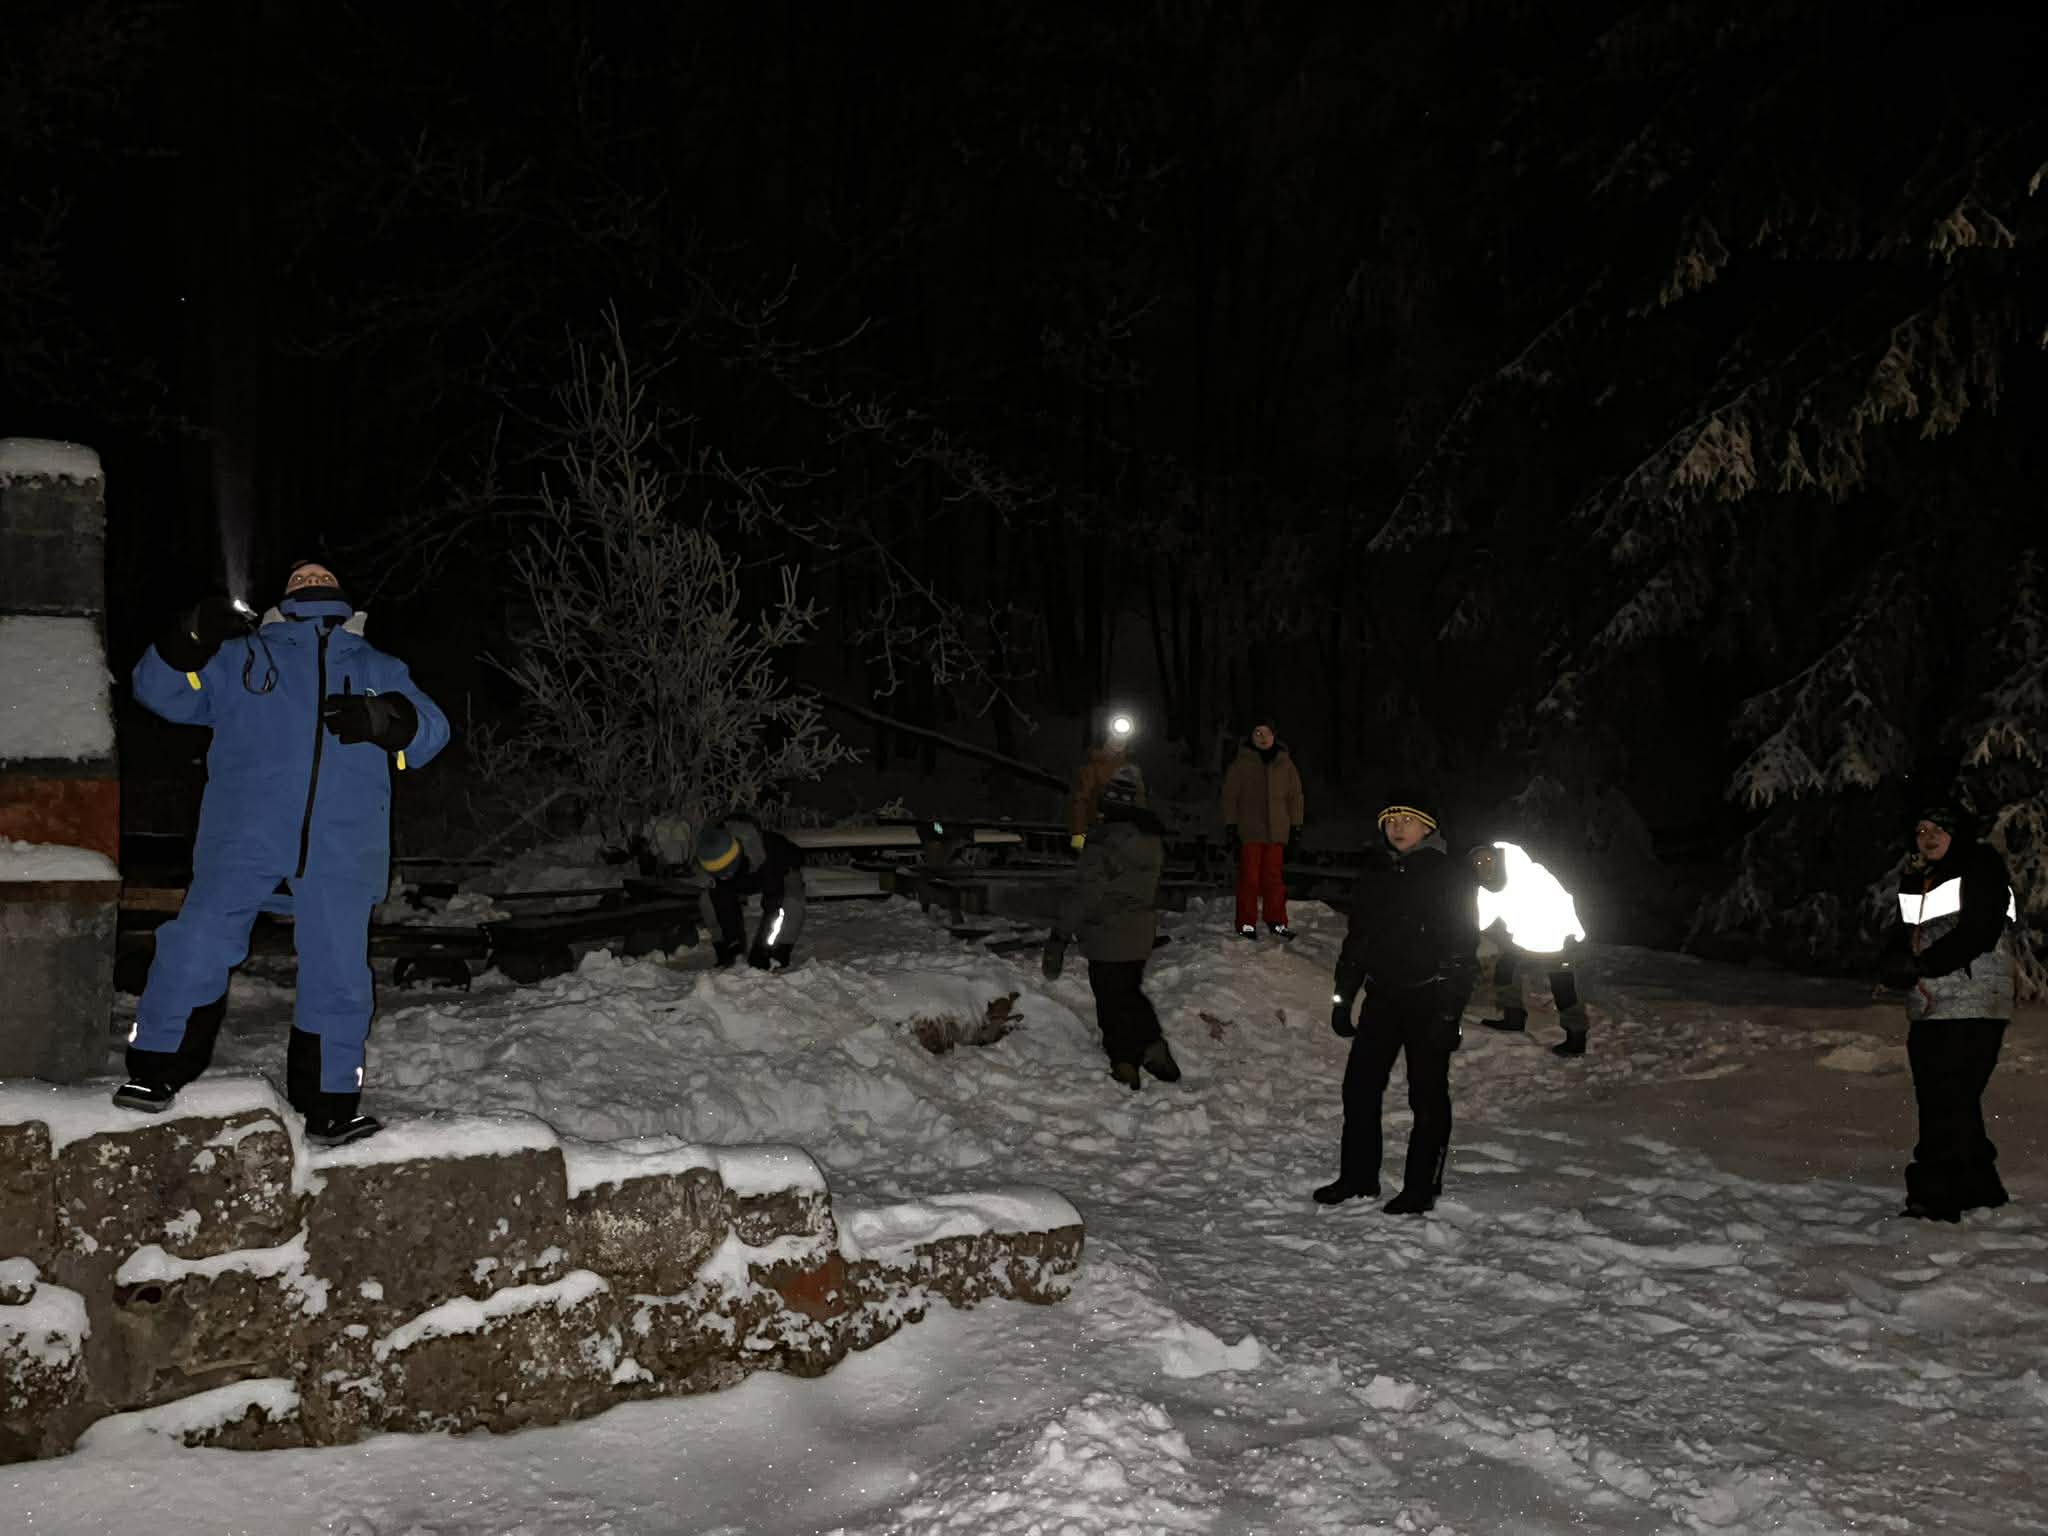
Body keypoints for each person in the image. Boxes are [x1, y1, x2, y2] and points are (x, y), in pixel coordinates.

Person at [116, 560, 451, 1145]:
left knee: (339, 973)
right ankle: (155, 1069)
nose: (312, 581)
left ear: (342, 593)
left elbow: (432, 733)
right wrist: (189, 635)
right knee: (195, 943)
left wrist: (384, 717)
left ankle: (329, 1105)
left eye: (321, 576)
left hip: (344, 845)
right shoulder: (243, 656)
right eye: (302, 576)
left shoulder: (376, 666)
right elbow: (157, 690)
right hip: (242, 836)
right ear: (284, 596)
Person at [1319, 789, 1478, 1215]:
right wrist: (1343, 996)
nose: (1397, 827)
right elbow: (1359, 939)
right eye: (1390, 820)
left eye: (1407, 819)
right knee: (1359, 1088)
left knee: (1427, 1096)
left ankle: (1421, 1187)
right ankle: (1358, 1177)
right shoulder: (1377, 873)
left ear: (1428, 827)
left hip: (1430, 998)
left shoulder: (1450, 876)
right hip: (1383, 998)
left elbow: (1462, 949)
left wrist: (1449, 1012)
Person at [1878, 802, 2021, 1223]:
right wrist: (1894, 961)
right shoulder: (1918, 878)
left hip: (1974, 1001)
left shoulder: (1980, 867)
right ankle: (1980, 1188)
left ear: (1958, 832)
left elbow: (1979, 930)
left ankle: (1935, 1198)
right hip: (1930, 1004)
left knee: (1946, 1100)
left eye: (1939, 828)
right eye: (1921, 829)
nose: (1928, 837)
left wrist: (1924, 964)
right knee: (1949, 1099)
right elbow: (1905, 933)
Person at [1043, 764, 1181, 1091]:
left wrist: (1059, 935)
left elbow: (1085, 893)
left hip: (1107, 932)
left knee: (1112, 999)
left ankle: (1127, 1061)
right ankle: (1146, 1049)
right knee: (1128, 992)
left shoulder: (1105, 842)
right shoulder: (1150, 839)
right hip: (1138, 932)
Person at [1470, 841, 1591, 1057]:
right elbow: (1483, 921)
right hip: (1524, 941)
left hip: (1556, 940)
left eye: (1488, 859)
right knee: (1505, 970)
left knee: (1563, 987)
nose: (1484, 865)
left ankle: (1576, 1037)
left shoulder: (1531, 873)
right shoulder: (1487, 888)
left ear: (1498, 858)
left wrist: (1574, 933)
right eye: (1478, 862)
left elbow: (1564, 899)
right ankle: (1514, 1017)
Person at [1221, 716, 1305, 940]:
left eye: (1267, 732)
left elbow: (1295, 797)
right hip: (1250, 830)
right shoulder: (1241, 763)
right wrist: (1231, 825)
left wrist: (1296, 826)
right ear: (1251, 736)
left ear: (1274, 735)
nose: (1263, 737)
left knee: (1274, 879)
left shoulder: (1285, 763)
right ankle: (1246, 922)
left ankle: (1276, 921)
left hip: (1277, 832)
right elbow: (1230, 797)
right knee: (1249, 879)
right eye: (1258, 732)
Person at [696, 815, 807, 970]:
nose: (723, 877)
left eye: (726, 872)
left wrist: (763, 948)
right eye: (718, 874)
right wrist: (733, 947)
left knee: (791, 902)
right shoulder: (713, 854)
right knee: (708, 901)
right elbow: (723, 905)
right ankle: (725, 952)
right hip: (746, 875)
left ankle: (778, 954)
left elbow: (774, 907)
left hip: (782, 870)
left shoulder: (769, 854)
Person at [1066, 708, 1135, 852]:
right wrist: (1078, 837)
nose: (1118, 742)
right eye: (1114, 738)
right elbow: (1081, 802)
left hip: (1124, 836)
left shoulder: (1131, 771)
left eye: (1122, 739)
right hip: (1098, 833)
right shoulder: (1093, 769)